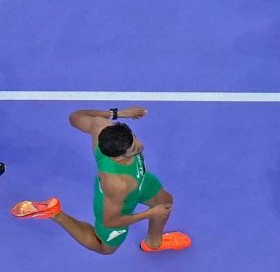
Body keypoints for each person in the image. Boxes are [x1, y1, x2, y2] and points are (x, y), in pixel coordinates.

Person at [10, 107, 191, 254]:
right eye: (134, 147)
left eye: (134, 138)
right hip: (119, 201)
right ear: (119, 157)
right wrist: (151, 214)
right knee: (105, 248)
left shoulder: (102, 128)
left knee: (166, 202)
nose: (140, 144)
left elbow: (75, 117)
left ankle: (153, 243)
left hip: (141, 181)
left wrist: (119, 114)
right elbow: (111, 221)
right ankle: (56, 213)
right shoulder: (117, 185)